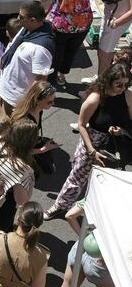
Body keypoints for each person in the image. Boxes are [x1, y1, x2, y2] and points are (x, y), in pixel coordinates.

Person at [44, 63, 132, 219]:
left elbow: (130, 121)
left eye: (126, 84)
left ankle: (101, 210)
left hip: (115, 144)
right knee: (78, 177)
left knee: (110, 178)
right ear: (109, 81)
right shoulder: (95, 98)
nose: (123, 88)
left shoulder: (128, 97)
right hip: (94, 141)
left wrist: (122, 130)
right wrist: (91, 151)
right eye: (119, 84)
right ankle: (60, 206)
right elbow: (82, 125)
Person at [38, 202, 115, 287]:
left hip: (81, 249)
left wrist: (83, 236)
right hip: (102, 262)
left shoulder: (98, 195)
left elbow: (70, 215)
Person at [0, 1, 55, 132]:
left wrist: (26, 105)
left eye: (21, 16)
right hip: (4, 89)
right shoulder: (26, 30)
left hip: (16, 99)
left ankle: (2, 152)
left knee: (11, 134)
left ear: (33, 19)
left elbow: (40, 79)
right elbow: (11, 48)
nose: (17, 19)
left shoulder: (41, 47)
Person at [5, 80, 60, 173]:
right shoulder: (26, 123)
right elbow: (18, 151)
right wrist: (42, 150)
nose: (53, 104)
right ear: (37, 100)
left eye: (54, 100)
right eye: (49, 102)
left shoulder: (39, 110)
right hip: (23, 157)